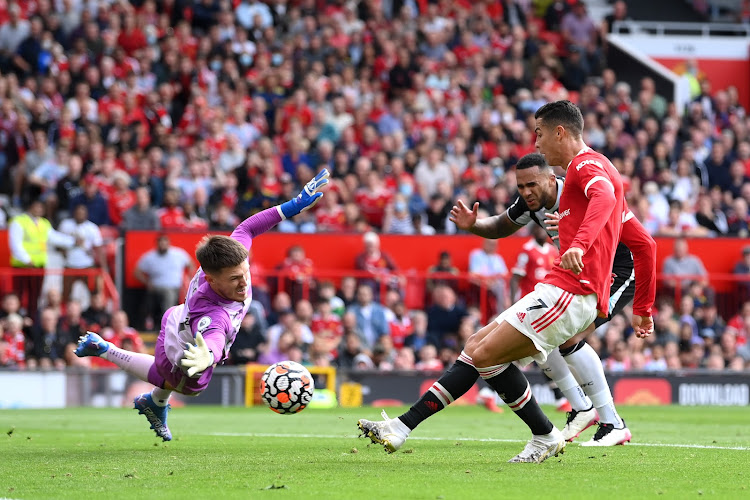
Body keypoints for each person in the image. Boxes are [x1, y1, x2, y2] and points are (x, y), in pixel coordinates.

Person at [358, 102, 656, 463]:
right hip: (559, 289)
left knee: (488, 356)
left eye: (540, 132)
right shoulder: (600, 169)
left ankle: (560, 429)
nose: (537, 140)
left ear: (559, 132)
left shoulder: (584, 165)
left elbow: (605, 199)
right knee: (476, 346)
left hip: (570, 292)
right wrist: (643, 309)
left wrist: (577, 244)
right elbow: (644, 242)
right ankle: (402, 428)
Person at [74, 169, 329, 441]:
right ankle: (107, 351)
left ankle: (154, 402)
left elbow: (247, 227)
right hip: (187, 340)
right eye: (234, 279)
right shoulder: (212, 309)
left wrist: (295, 205)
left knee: (174, 380)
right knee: (189, 385)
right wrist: (209, 355)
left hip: (180, 316)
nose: (244, 282)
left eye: (245, 272)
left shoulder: (230, 258)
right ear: (211, 279)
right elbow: (214, 333)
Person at [8, 199, 76, 320]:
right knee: (19, 294)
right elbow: (15, 243)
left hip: (38, 266)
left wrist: (73, 241)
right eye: (36, 207)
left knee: (35, 296)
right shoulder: (19, 222)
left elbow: (54, 237)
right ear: (30, 207)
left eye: (41, 208)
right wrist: (26, 259)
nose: (39, 210)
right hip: (23, 266)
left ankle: (32, 318)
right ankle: (17, 319)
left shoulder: (44, 223)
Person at [134, 234, 196, 330]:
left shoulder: (178, 254)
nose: (162, 245)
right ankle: (159, 324)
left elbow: (191, 264)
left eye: (164, 243)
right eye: (160, 243)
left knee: (169, 295)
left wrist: (188, 278)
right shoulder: (150, 257)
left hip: (174, 288)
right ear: (157, 244)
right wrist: (147, 282)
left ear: (168, 243)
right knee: (157, 299)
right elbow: (137, 272)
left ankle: (168, 324)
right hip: (155, 287)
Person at [57, 204, 108, 302]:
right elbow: (59, 242)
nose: (80, 214)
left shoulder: (92, 228)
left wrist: (103, 267)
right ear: (74, 213)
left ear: (86, 214)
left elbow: (99, 248)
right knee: (66, 293)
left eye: (82, 213)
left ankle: (93, 313)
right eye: (78, 212)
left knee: (94, 292)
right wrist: (64, 252)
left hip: (87, 265)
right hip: (69, 264)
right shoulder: (65, 225)